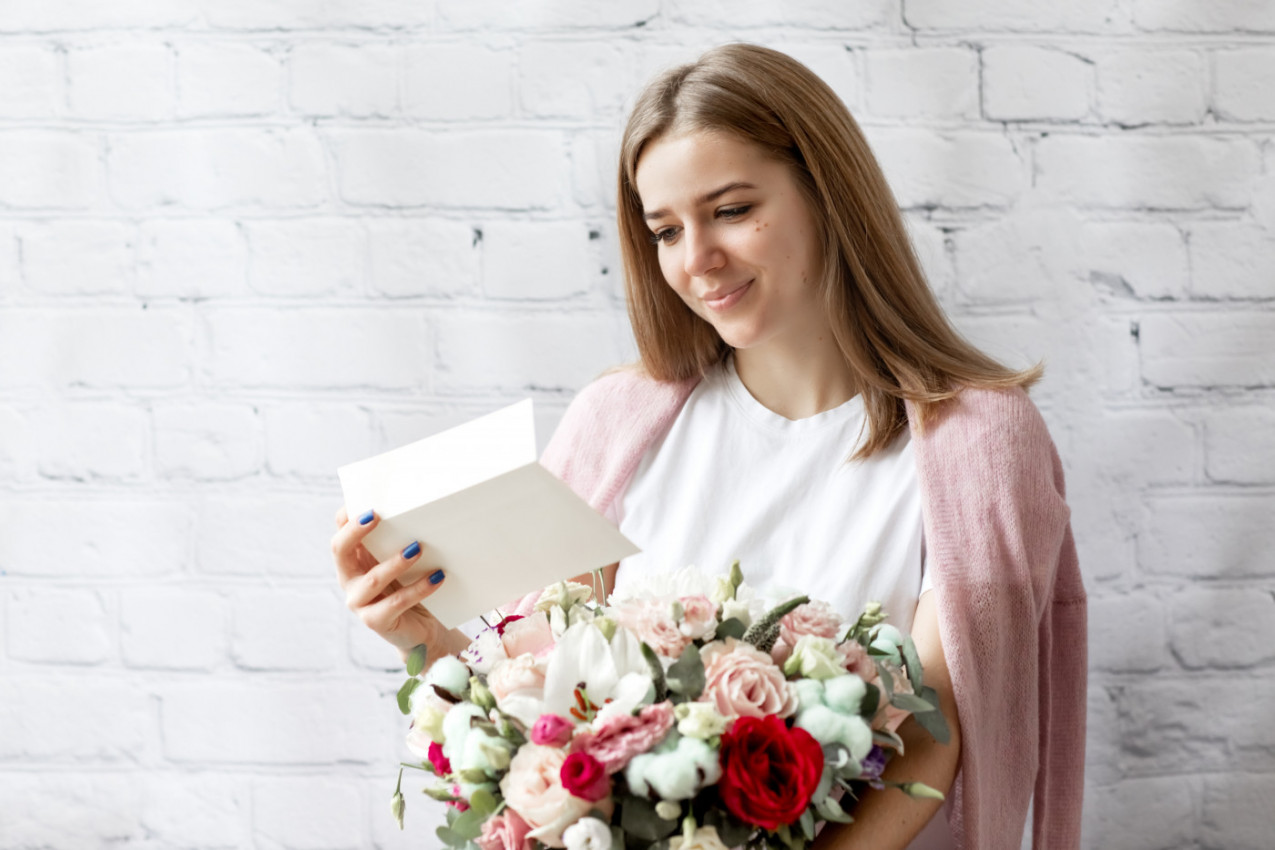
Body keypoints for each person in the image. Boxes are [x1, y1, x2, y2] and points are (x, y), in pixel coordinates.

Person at [332, 43, 1086, 850]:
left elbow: (937, 733)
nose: (696, 262)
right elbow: (547, 701)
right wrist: (429, 643)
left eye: (730, 210)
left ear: (827, 195)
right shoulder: (616, 421)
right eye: (664, 230)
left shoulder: (976, 441)